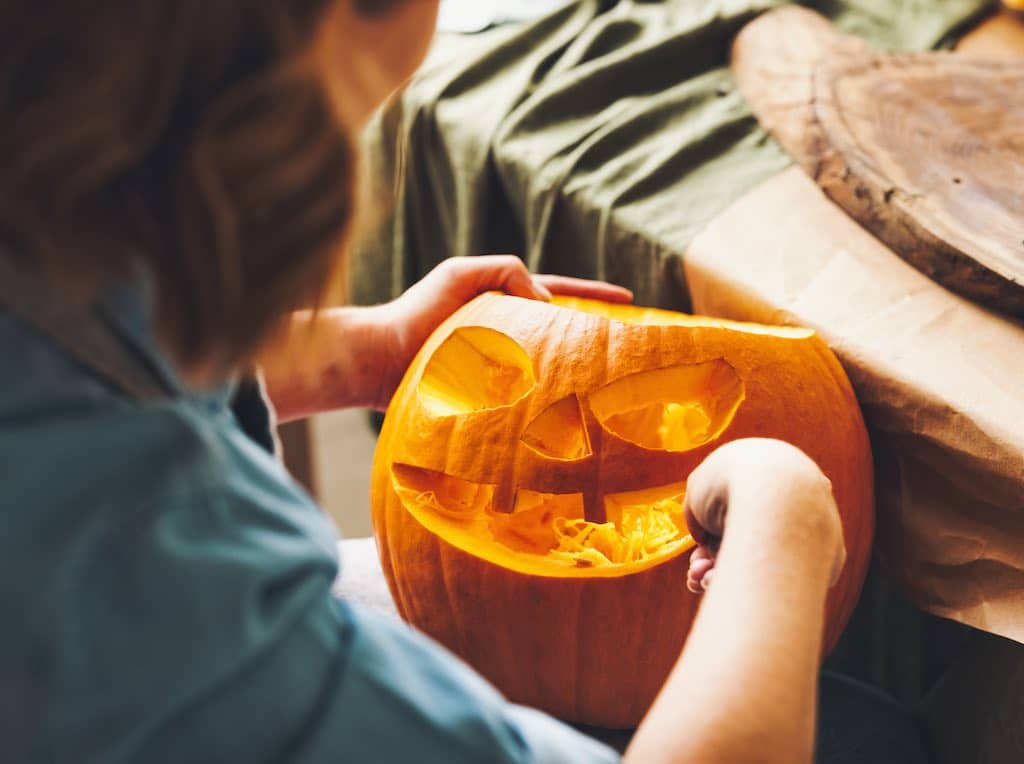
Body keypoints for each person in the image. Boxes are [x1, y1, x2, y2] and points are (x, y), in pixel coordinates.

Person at [0, 1, 927, 762]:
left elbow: (97, 336)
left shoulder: (46, 208)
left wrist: (351, 352)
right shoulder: (157, 580)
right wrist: (785, 532)